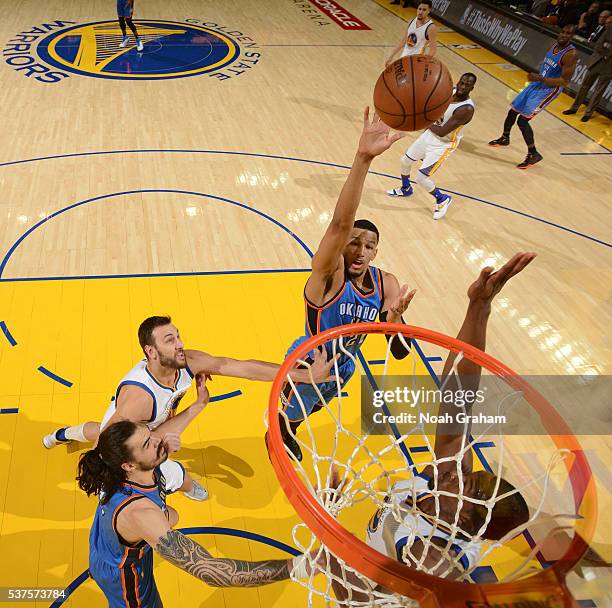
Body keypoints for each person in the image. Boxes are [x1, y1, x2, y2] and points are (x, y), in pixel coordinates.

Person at [326, 252, 535, 602]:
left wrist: (328, 527)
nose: (457, 474)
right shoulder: (445, 489)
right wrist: (478, 308)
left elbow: (355, 598)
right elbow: (457, 396)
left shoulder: (431, 559)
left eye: (465, 486)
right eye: (469, 476)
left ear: (467, 522)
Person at [43, 315, 336, 499]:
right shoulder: (138, 401)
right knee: (152, 462)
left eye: (179, 335)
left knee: (128, 438)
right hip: (133, 426)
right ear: (151, 352)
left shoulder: (187, 361)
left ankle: (64, 433)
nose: (180, 343)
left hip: (155, 419)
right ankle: (67, 435)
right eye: (170, 340)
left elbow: (241, 367)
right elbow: (109, 448)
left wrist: (301, 375)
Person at [275, 108, 415, 462]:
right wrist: (363, 159)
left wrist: (396, 321)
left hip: (346, 363)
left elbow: (399, 351)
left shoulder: (386, 283)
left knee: (314, 409)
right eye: (354, 242)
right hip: (310, 360)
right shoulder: (329, 274)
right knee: (288, 415)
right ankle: (278, 430)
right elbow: (339, 225)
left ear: (376, 252)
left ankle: (290, 423)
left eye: (369, 245)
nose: (360, 250)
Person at [77, 420, 315, 607]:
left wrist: (199, 403)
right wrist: (300, 567)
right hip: (123, 575)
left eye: (151, 435)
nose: (158, 441)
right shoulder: (141, 513)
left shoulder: (123, 468)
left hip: (101, 546)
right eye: (147, 444)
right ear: (128, 465)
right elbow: (214, 573)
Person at [387, 73, 477, 220]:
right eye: (462, 83)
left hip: (443, 144)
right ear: (458, 82)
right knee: (405, 161)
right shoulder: (450, 91)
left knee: (421, 178)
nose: (462, 87)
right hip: (429, 135)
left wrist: (423, 120)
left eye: (467, 85)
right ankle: (406, 188)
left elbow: (442, 132)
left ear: (472, 88)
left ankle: (442, 199)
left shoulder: (466, 109)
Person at [489, 25, 577, 169]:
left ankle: (533, 154)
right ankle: (505, 138)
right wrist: (538, 76)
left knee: (523, 121)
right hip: (538, 83)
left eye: (568, 34)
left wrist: (540, 78)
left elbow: (564, 81)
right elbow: (547, 65)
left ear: (572, 37)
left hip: (549, 90)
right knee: (513, 111)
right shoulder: (553, 45)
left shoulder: (570, 54)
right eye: (562, 31)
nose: (564, 35)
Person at [564, 13, 612, 120]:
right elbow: (599, 45)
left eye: (609, 23)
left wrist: (607, 47)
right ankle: (574, 107)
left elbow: (605, 45)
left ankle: (588, 113)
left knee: (599, 91)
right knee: (584, 86)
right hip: (596, 62)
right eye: (606, 22)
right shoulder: (606, 31)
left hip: (609, 67)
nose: (606, 24)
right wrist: (607, 52)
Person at [386, 1, 438, 65]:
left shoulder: (431, 27)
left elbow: (433, 50)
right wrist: (391, 56)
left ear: (429, 10)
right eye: (419, 9)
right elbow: (403, 41)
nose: (421, 12)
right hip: (403, 59)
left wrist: (424, 63)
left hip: (416, 63)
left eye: (424, 10)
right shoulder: (411, 21)